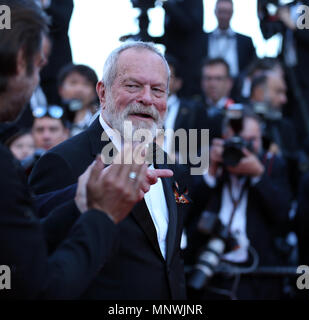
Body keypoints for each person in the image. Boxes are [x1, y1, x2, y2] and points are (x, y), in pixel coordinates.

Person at [0, 0, 155, 300]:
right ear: (21, 60)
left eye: (158, 89)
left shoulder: (168, 160)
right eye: (39, 63)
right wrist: (102, 215)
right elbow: (39, 288)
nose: (146, 99)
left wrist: (80, 203)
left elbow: (18, 249)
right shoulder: (46, 162)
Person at [29, 41, 188, 300]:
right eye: (133, 86)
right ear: (102, 93)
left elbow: (169, 259)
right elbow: (36, 255)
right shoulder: (63, 161)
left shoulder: (171, 168)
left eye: (157, 90)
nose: (146, 98)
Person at [185, 111, 292, 299]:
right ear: (224, 139)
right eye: (239, 140)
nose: (246, 147)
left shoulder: (272, 165)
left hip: (257, 273)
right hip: (210, 272)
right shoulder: (204, 162)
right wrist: (210, 172)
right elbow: (184, 207)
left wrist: (258, 175)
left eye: (253, 140)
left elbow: (283, 214)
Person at [203, 0, 256, 79]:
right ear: (215, 12)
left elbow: (252, 67)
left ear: (232, 13)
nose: (224, 16)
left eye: (227, 12)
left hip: (237, 87)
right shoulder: (202, 40)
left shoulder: (246, 42)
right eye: (221, 11)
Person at [57, 64, 99, 136]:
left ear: (95, 92)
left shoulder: (102, 118)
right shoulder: (52, 117)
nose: (79, 89)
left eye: (86, 84)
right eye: (73, 83)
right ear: (61, 90)